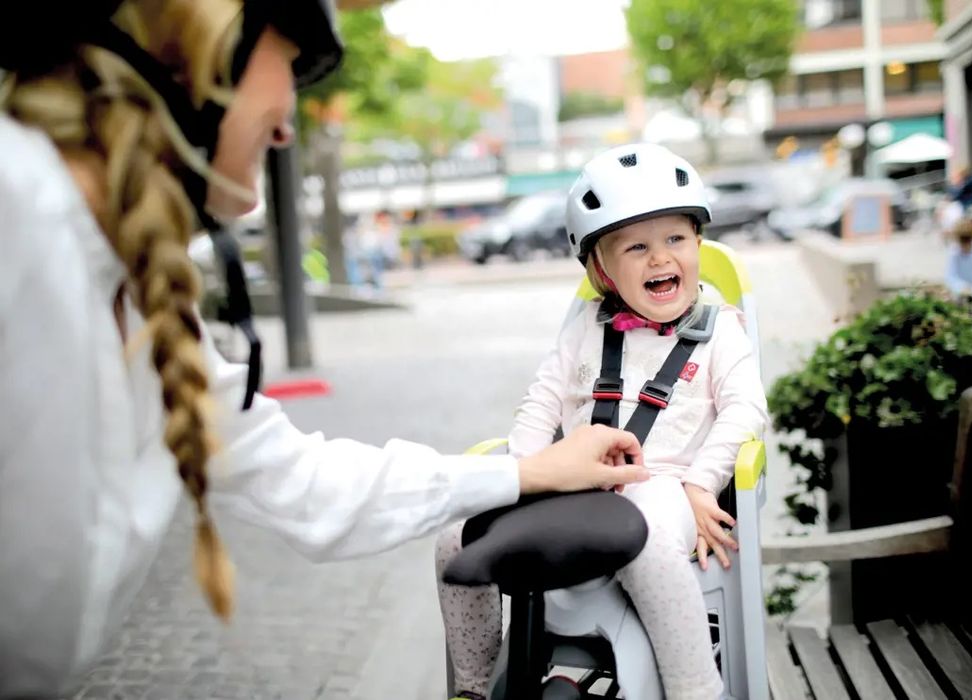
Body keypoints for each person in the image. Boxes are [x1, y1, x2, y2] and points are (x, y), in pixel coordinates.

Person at [0, 2, 650, 697]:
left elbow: (304, 484)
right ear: (197, 63)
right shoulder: (17, 209)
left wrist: (527, 471)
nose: (286, 127)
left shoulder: (140, 290)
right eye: (284, 64)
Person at [436, 143, 769, 700]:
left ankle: (696, 689)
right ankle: (471, 685)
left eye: (675, 240)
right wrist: (525, 469)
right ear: (601, 270)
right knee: (452, 538)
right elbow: (541, 401)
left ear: (699, 244)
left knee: (650, 538)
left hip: (664, 486)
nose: (660, 258)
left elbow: (746, 408)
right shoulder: (586, 327)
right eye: (636, 247)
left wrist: (700, 482)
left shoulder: (721, 331)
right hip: (572, 483)